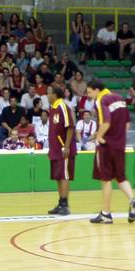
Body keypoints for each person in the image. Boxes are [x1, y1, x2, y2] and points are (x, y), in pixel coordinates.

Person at [86, 80, 135, 224]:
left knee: (106, 179)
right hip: (120, 144)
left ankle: (106, 213)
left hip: (106, 145)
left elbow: (107, 122)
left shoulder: (101, 100)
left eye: (90, 92)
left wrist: (98, 136)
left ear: (97, 90)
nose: (89, 95)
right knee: (121, 176)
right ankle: (132, 199)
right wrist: (117, 136)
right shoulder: (120, 98)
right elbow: (127, 124)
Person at [46, 84, 77, 216]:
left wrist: (67, 146)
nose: (47, 95)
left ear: (55, 95)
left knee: (64, 176)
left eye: (49, 92)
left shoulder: (62, 107)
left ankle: (65, 204)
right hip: (55, 149)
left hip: (64, 149)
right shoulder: (52, 109)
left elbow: (70, 127)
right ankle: (60, 203)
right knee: (58, 176)